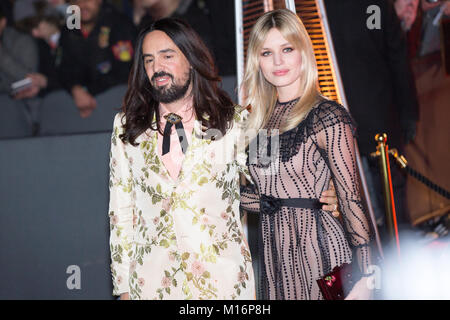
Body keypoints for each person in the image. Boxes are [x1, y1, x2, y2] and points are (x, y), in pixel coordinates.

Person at [108, 16, 341, 300]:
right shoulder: (126, 125)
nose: (157, 68)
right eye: (149, 60)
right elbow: (121, 211)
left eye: (167, 56)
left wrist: (321, 195)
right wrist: (123, 288)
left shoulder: (236, 121)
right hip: (151, 285)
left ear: (191, 59)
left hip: (222, 284)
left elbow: (275, 178)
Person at [239, 9, 375, 300]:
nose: (278, 61)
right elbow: (264, 192)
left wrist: (366, 275)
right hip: (277, 263)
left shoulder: (327, 116)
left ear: (303, 51)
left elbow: (351, 200)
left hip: (322, 254)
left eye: (287, 49)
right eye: (267, 53)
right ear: (257, 61)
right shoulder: (259, 123)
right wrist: (246, 198)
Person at [58, 0, 137, 118]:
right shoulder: (69, 29)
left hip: (117, 101)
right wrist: (75, 88)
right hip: (79, 103)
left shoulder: (119, 24)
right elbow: (62, 67)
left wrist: (88, 91)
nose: (83, 5)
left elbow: (126, 70)